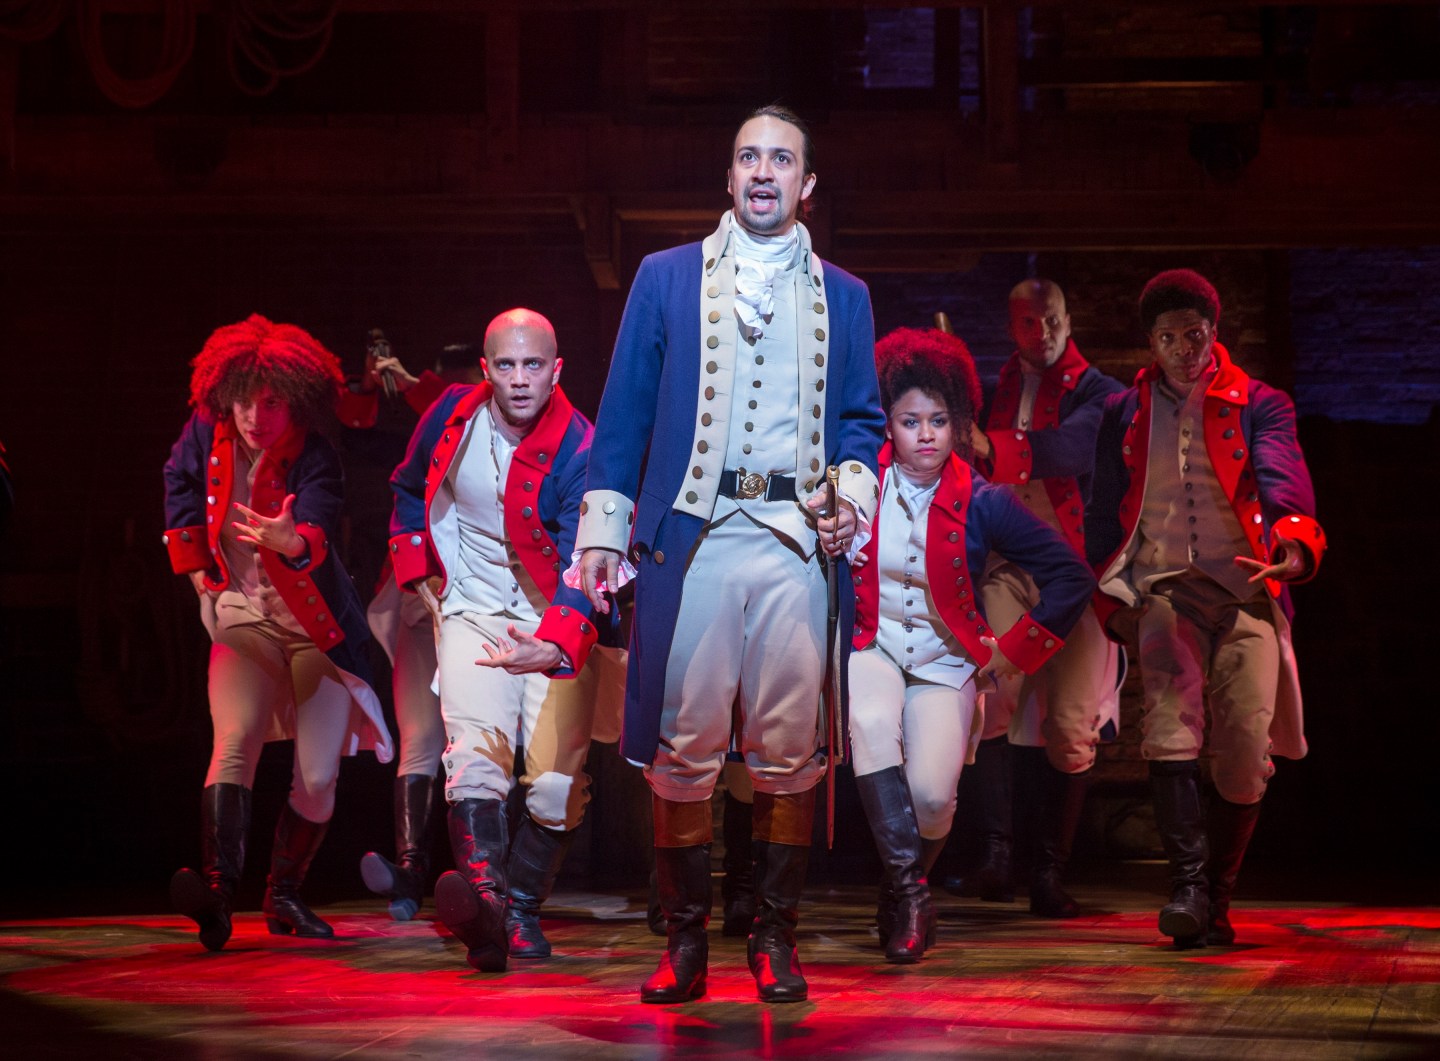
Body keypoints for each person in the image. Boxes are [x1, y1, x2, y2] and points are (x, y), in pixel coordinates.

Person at [576, 104, 885, 1004]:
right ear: (728, 175)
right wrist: (604, 525)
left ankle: (776, 940)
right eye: (748, 156)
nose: (762, 172)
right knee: (684, 746)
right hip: (695, 535)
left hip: (792, 541)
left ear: (807, 184)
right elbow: (626, 404)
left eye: (780, 159)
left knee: (789, 750)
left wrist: (851, 497)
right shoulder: (666, 277)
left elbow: (862, 420)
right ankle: (683, 944)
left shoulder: (846, 294)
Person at [1089, 269, 1326, 947]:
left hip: (1246, 586)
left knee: (1247, 747)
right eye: (1169, 338)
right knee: (1167, 730)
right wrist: (1112, 599)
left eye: (1194, 335)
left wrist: (1291, 542)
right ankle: (1188, 889)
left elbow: (1284, 477)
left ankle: (1217, 897)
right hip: (1166, 586)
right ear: (1151, 343)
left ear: (1214, 332)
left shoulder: (1260, 402)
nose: (1185, 349)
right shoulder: (1123, 411)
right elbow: (1105, 512)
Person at [849, 327, 1095, 963]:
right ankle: (908, 898)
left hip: (946, 659)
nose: (925, 433)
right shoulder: (855, 485)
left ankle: (903, 884)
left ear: (959, 422)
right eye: (909, 420)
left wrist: (1011, 653)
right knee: (871, 724)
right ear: (888, 423)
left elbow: (1071, 574)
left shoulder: (985, 500)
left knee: (934, 800)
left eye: (939, 419)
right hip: (870, 648)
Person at [388, 308, 613, 972]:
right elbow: (406, 487)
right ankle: (488, 914)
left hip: (554, 621)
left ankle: (517, 907)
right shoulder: (451, 414)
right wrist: (415, 573)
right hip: (473, 612)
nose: (520, 380)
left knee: (551, 787)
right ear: (486, 369)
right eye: (506, 366)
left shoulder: (583, 446)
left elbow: (589, 557)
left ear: (556, 369)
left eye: (533, 365)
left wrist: (559, 639)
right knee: (473, 759)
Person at [163, 314, 393, 951]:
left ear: (294, 399)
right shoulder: (203, 437)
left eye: (270, 402)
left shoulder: (314, 451)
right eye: (243, 399)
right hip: (244, 617)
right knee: (233, 739)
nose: (254, 415)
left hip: (315, 626)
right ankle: (217, 893)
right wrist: (198, 577)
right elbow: (178, 485)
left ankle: (284, 893)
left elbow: (315, 523)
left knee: (317, 776)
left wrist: (292, 540)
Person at [959, 280, 1124, 917]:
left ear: (1068, 317)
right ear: (1013, 327)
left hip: (1075, 574)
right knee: (991, 698)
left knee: (1070, 723)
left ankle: (1049, 874)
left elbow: (1071, 448)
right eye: (1029, 323)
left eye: (1051, 320)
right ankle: (998, 857)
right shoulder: (997, 387)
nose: (1042, 333)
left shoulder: (1102, 393)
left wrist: (988, 445)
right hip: (1010, 566)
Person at [357, 343, 484, 924]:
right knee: (420, 741)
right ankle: (410, 875)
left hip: (484, 620)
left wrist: (413, 380)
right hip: (419, 610)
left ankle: (490, 880)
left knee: (484, 749)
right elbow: (408, 490)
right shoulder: (438, 435)